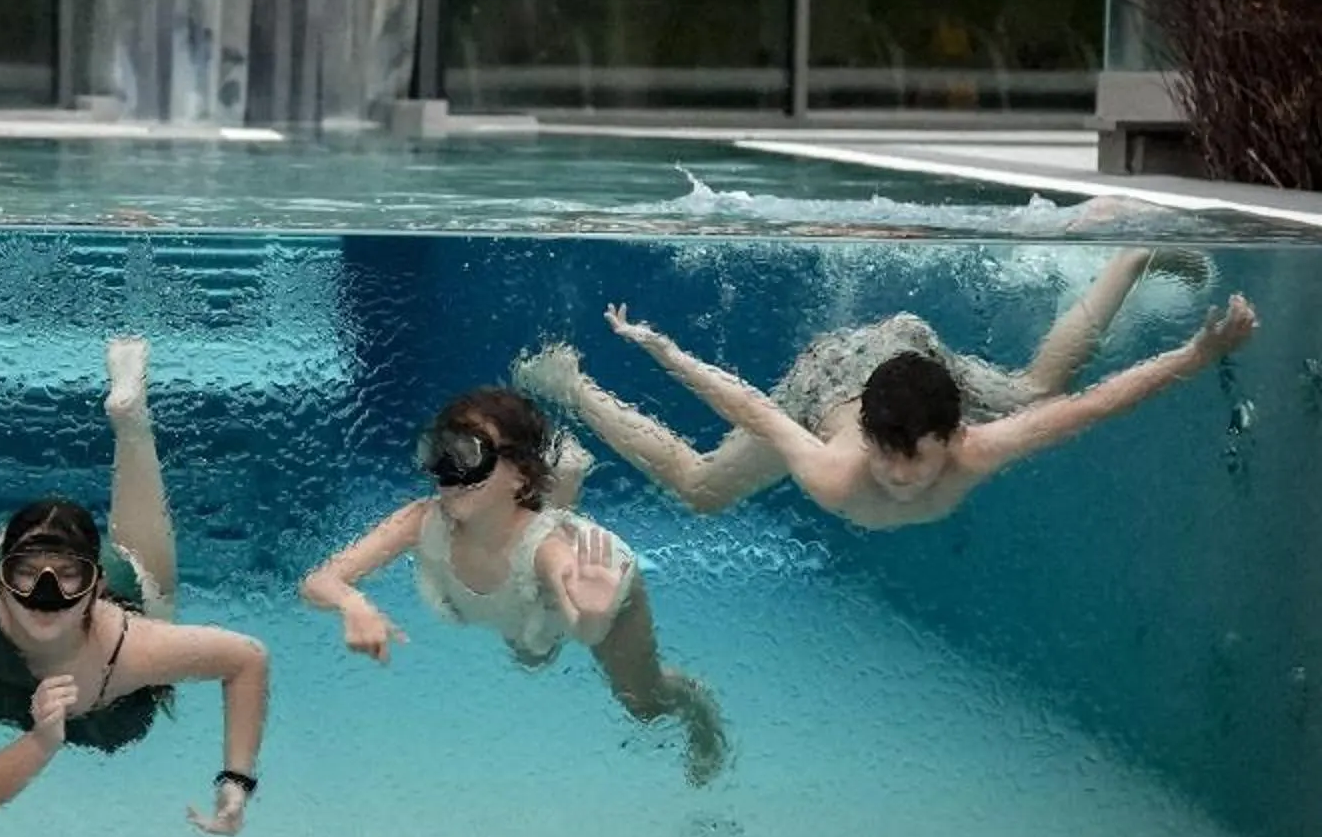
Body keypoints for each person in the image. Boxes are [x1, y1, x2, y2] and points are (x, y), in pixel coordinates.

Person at [0, 327, 267, 834]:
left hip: (111, 589)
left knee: (151, 587)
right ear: (1, 584)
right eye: (28, 578)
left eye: (67, 581)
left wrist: (236, 780)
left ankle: (131, 419)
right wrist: (38, 743)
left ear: (93, 588)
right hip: (12, 564)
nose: (45, 595)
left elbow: (247, 659)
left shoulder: (134, 647)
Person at [516, 250, 1257, 534]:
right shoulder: (837, 463)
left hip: (917, 356)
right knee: (703, 486)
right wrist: (663, 350)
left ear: (956, 437)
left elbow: (1095, 405)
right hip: (832, 379)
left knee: (1039, 391)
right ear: (870, 441)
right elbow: (756, 409)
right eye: (888, 459)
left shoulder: (976, 446)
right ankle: (574, 385)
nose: (900, 479)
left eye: (919, 463)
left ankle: (1128, 258)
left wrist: (1196, 353)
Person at [300, 386, 726, 784]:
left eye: (469, 453)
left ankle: (694, 701)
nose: (451, 471)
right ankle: (566, 484)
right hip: (528, 602)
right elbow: (318, 581)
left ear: (520, 475)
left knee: (643, 704)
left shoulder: (546, 550)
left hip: (601, 582)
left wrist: (595, 617)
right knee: (532, 654)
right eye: (441, 452)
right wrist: (351, 603)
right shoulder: (422, 519)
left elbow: (584, 628)